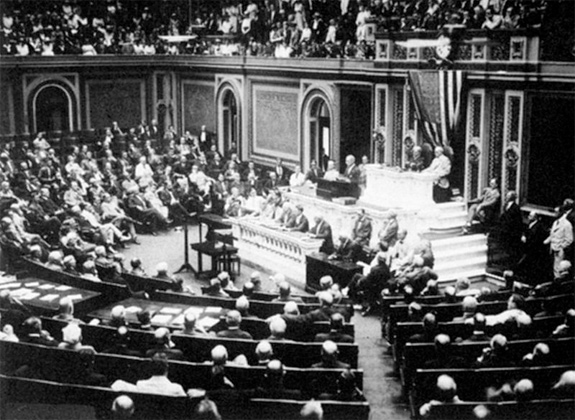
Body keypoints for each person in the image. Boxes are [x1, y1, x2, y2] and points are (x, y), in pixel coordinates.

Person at [517, 211, 550, 283]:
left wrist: (527, 240)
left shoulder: (539, 226)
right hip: (527, 248)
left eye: (531, 216)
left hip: (534, 250)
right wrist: (523, 236)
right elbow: (525, 231)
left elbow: (536, 238)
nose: (529, 217)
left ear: (536, 218)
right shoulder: (529, 224)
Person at [544, 207, 573, 278]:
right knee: (553, 268)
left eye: (556, 212)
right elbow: (552, 234)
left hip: (559, 250)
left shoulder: (567, 224)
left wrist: (561, 247)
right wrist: (546, 241)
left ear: (561, 212)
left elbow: (569, 239)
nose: (555, 214)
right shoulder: (555, 222)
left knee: (559, 269)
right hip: (553, 248)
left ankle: (558, 283)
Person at [498, 191, 523, 265]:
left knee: (511, 249)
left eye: (508, 196)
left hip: (511, 232)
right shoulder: (506, 205)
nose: (506, 197)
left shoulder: (516, 208)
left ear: (512, 197)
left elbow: (517, 221)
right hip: (504, 230)